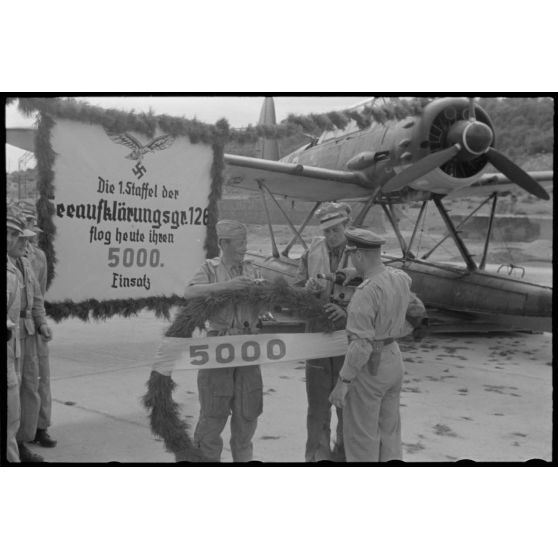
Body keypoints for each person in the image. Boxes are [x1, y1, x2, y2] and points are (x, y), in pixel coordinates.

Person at [329, 227, 415, 462]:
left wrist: (343, 382)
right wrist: (359, 273)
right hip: (393, 358)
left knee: (361, 437)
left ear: (358, 256)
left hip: (370, 366)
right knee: (390, 433)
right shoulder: (401, 278)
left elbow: (361, 346)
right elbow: (389, 278)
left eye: (352, 257)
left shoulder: (364, 294)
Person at [186, 220, 264, 462]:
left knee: (247, 414)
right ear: (224, 244)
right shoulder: (209, 269)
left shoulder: (252, 269)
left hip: (248, 347)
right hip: (218, 347)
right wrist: (226, 286)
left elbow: (264, 305)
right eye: (240, 243)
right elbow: (189, 292)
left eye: (245, 242)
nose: (244, 248)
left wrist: (262, 293)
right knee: (213, 414)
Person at [294, 202, 352, 462]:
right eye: (327, 231)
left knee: (348, 406)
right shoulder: (311, 252)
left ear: (346, 227)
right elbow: (295, 292)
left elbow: (375, 294)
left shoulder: (362, 252)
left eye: (336, 230)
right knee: (317, 406)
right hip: (317, 338)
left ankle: (345, 456)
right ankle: (318, 459)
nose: (330, 237)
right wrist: (306, 290)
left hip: (349, 340)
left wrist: (348, 313)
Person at [7, 210, 53, 462]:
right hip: (12, 332)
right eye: (22, 237)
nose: (27, 243)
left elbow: (37, 296)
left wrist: (41, 322)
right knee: (13, 389)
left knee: (30, 385)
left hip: (28, 328)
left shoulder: (25, 262)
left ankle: (26, 437)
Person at [21, 208, 57, 448]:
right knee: (24, 382)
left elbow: (39, 294)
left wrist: (41, 321)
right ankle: (23, 431)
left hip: (35, 322)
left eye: (33, 225)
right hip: (19, 325)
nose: (33, 233)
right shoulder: (13, 255)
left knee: (42, 378)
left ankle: (41, 426)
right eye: (29, 225)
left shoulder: (39, 257)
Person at [6, 214, 35, 462]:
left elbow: (36, 296)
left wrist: (40, 321)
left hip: (17, 339)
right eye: (14, 235)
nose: (22, 241)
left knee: (14, 412)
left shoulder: (18, 266)